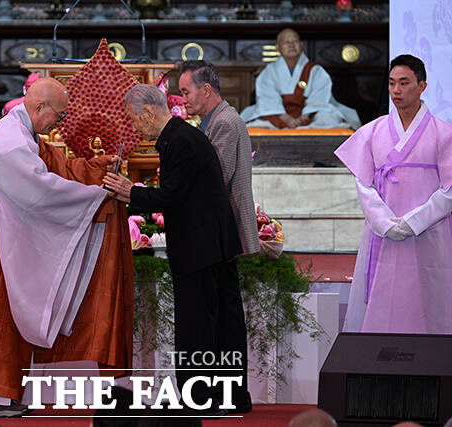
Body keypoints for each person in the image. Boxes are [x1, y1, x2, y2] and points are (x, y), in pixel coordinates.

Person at [0, 77, 132, 417]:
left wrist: (94, 171)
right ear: (40, 108)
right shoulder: (9, 140)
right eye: (59, 116)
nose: (59, 124)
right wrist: (92, 197)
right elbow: (39, 190)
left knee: (2, 313)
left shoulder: (23, 132)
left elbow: (56, 167)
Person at [103, 84, 245, 418]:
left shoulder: (179, 139)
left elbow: (172, 196)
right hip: (210, 244)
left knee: (199, 326)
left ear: (149, 112)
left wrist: (129, 191)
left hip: (201, 247)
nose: (135, 128)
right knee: (219, 323)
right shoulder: (180, 136)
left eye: (135, 119)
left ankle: (203, 400)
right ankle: (227, 397)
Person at [335, 54, 452, 334]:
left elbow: (449, 190)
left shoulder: (443, 134)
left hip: (430, 233)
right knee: (381, 302)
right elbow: (364, 183)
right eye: (391, 83)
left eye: (404, 83)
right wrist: (385, 222)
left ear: (422, 86)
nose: (396, 91)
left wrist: (415, 221)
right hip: (382, 232)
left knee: (431, 301)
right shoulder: (372, 131)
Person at [177, 60, 257, 411]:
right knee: (222, 314)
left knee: (222, 316)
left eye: (185, 92)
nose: (182, 100)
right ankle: (229, 394)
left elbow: (214, 178)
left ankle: (225, 394)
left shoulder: (224, 122)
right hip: (216, 231)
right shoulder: (215, 121)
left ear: (206, 89)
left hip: (219, 232)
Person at [240, 28, 360, 130]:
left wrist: (303, 117)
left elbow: (320, 97)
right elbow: (267, 98)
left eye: (295, 41)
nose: (291, 45)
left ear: (301, 45)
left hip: (308, 115)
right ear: (278, 48)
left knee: (329, 117)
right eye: (286, 42)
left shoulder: (315, 70)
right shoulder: (270, 71)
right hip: (278, 115)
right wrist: (286, 118)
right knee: (255, 123)